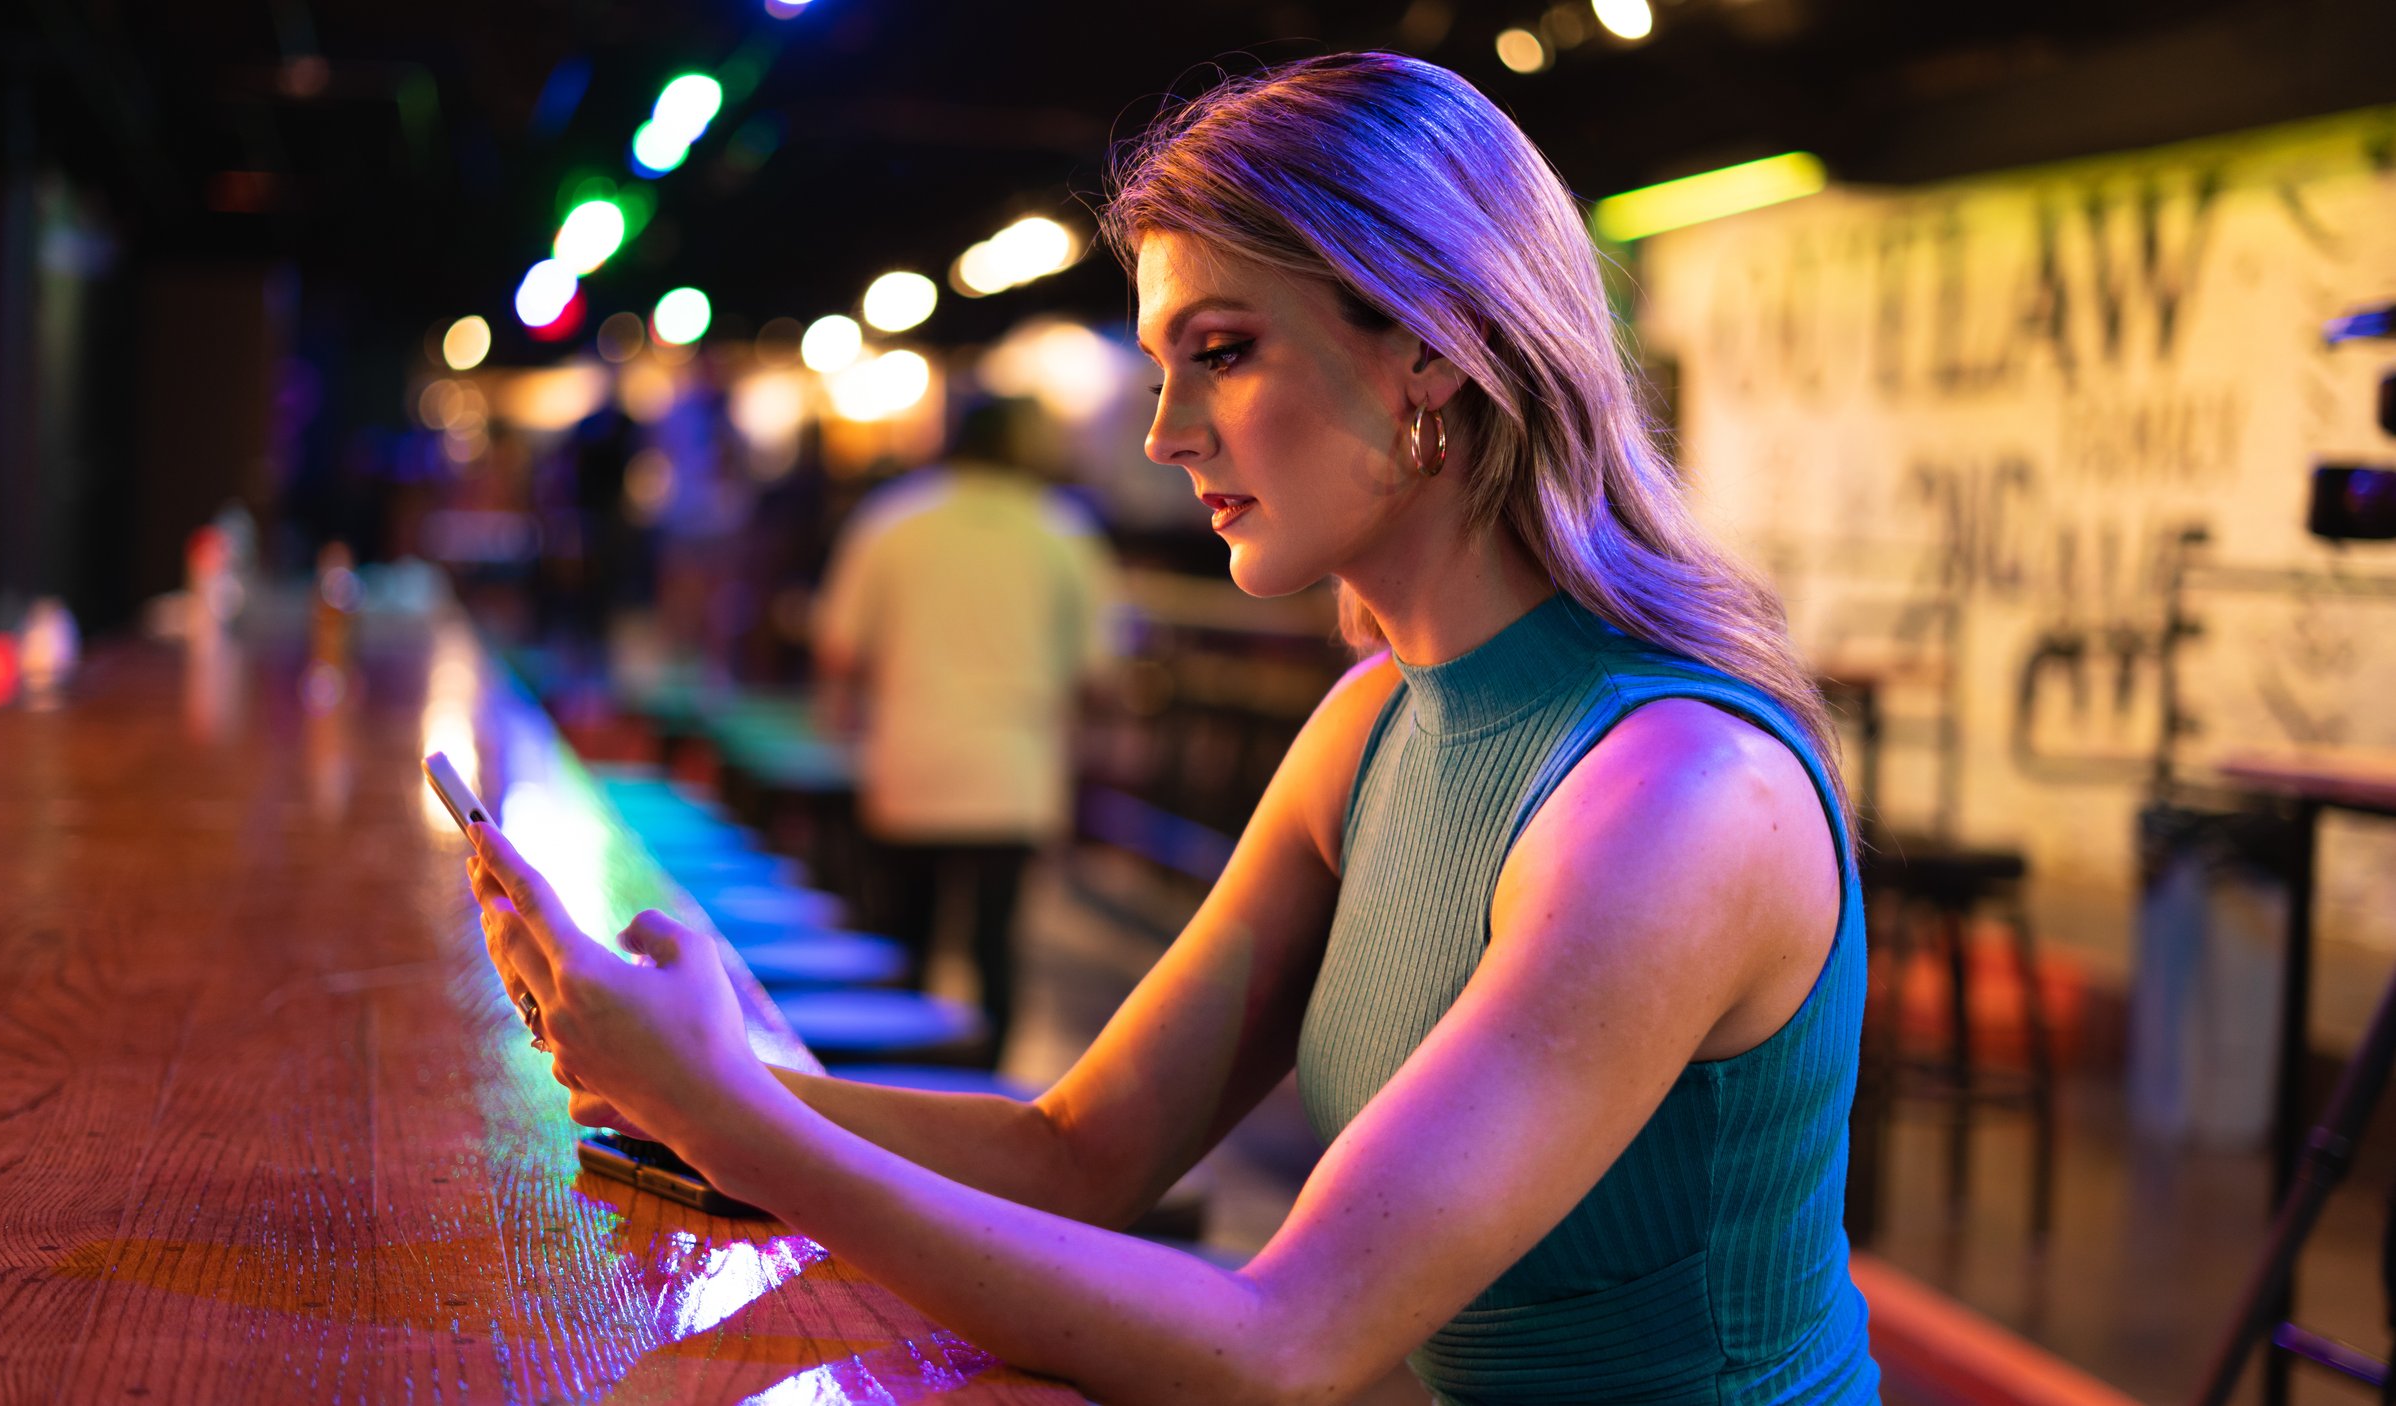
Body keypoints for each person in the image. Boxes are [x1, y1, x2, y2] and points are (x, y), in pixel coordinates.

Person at [467, 51, 1878, 1404]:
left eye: (1223, 351)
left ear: (1430, 350)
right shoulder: (1376, 722)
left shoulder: (1677, 796)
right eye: (1162, 362)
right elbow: (1081, 1153)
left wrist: (736, 1120)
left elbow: (1281, 1347)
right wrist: (691, 1075)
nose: (1165, 431)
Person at [812, 397, 1119, 1062]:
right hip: (1015, 775)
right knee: (995, 949)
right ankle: (983, 1106)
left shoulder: (893, 519)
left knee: (901, 945)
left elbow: (839, 648)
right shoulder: (1065, 531)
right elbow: (1100, 671)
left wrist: (846, 719)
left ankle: (882, 1105)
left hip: (909, 765)